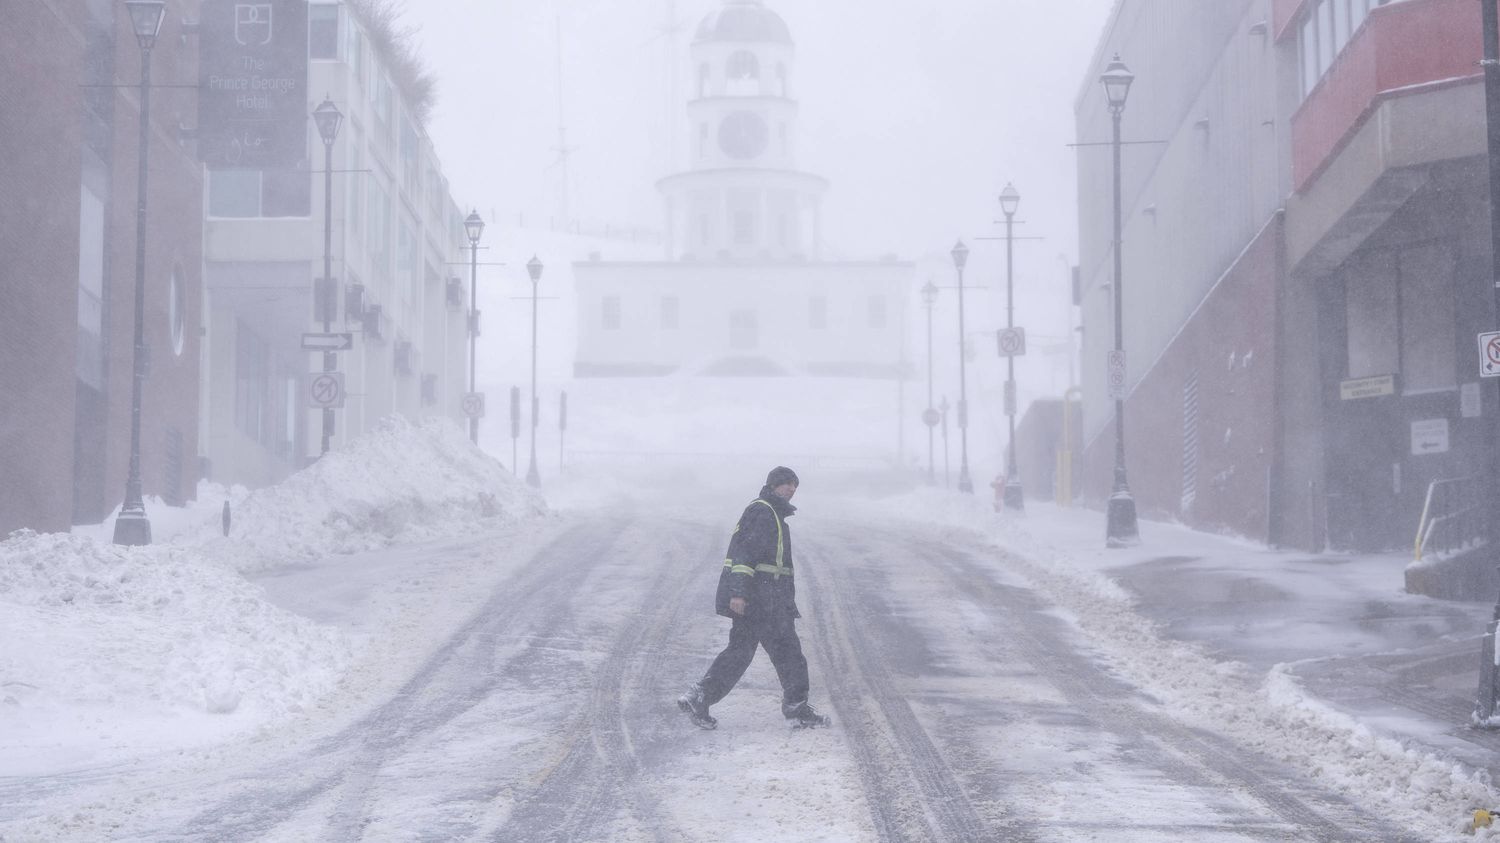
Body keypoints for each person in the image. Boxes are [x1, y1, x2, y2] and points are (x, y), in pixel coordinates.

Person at [677, 466, 830, 730]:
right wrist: (738, 593)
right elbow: (743, 555)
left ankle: (699, 696)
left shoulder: (773, 514)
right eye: (786, 484)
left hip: (769, 599)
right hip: (761, 600)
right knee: (787, 654)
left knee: (745, 652)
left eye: (795, 485)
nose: (791, 489)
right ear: (772, 485)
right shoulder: (763, 511)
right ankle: (797, 708)